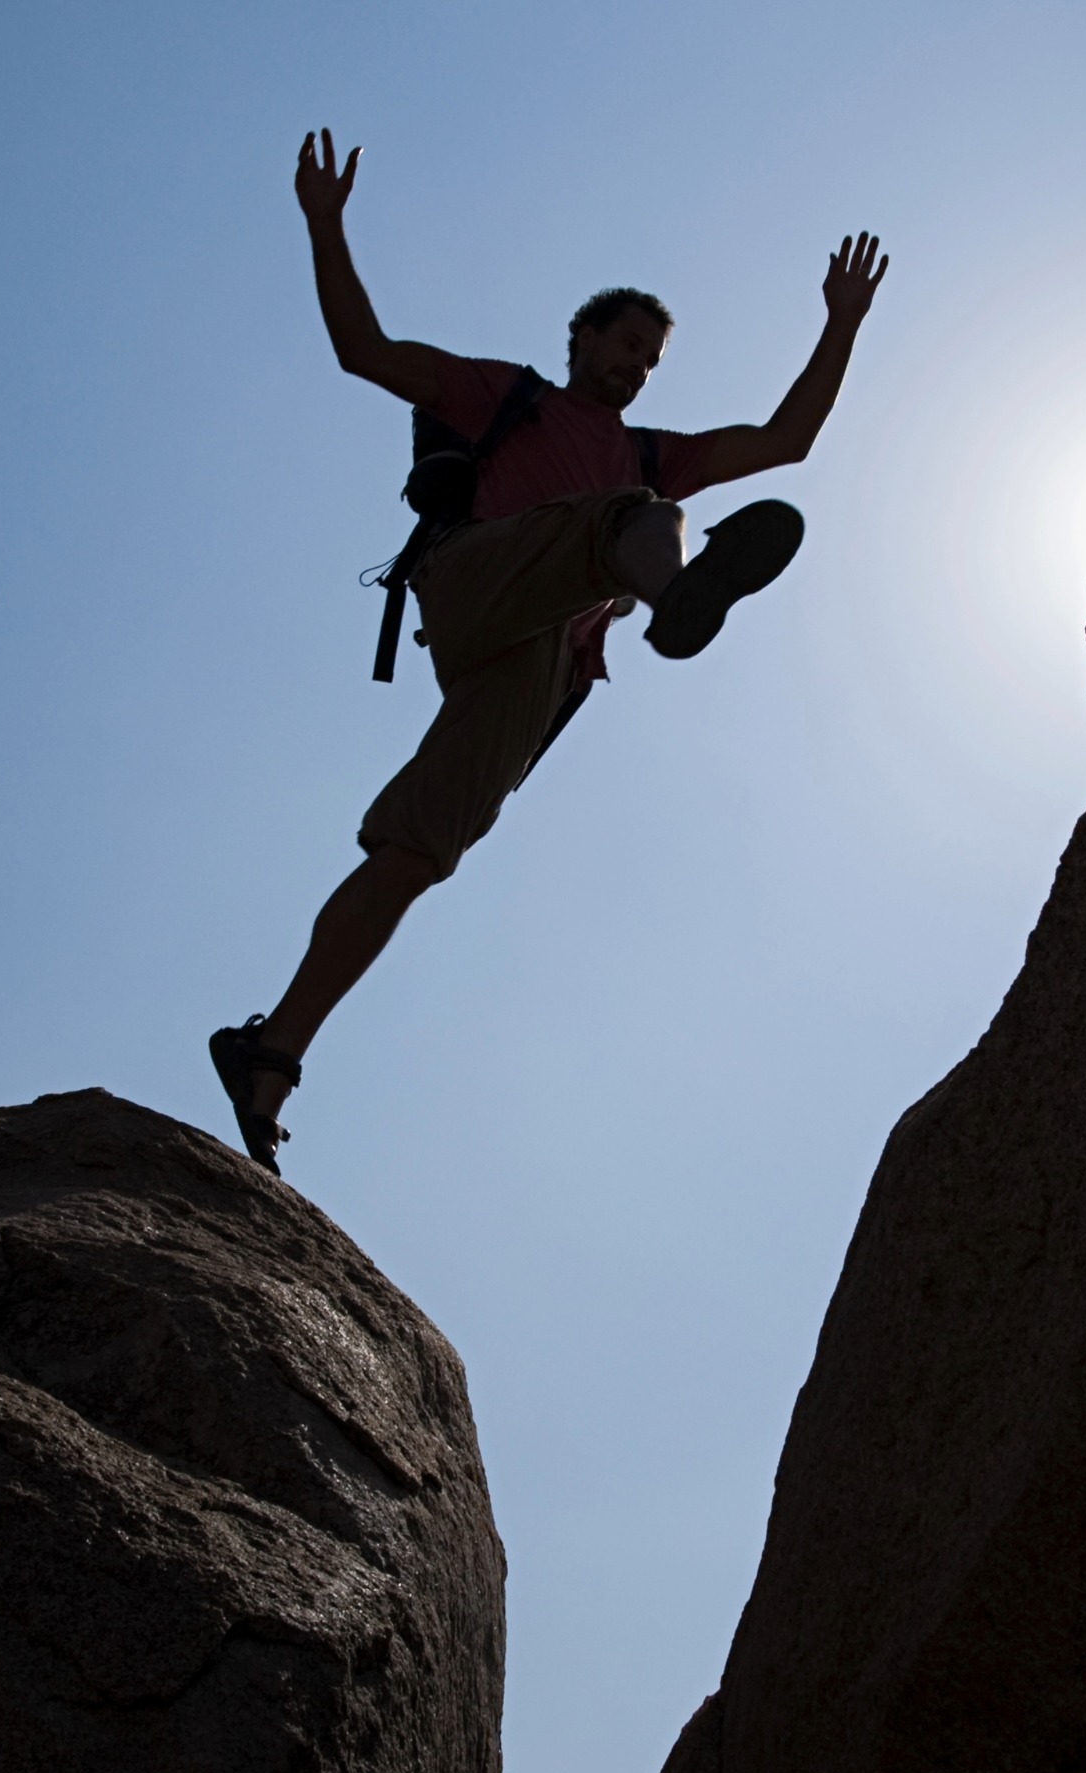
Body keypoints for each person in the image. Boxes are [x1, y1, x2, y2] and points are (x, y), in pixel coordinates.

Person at [210, 127, 888, 1170]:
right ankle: (674, 596)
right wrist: (323, 222)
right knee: (630, 512)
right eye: (625, 345)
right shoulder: (507, 396)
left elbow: (784, 441)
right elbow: (363, 351)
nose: (636, 366)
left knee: (414, 853)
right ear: (580, 341)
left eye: (651, 360)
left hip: (541, 667)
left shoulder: (653, 445)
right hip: (476, 583)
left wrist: (839, 326)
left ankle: (272, 1051)